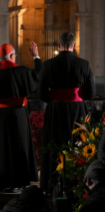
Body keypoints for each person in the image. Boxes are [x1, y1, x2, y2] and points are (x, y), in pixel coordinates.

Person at [0, 42, 42, 191]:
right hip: (17, 113)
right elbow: (39, 74)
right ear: (12, 56)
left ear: (0, 57)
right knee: (18, 147)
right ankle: (17, 183)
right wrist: (36, 56)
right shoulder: (22, 71)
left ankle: (0, 182)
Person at [39, 32, 96, 190]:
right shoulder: (84, 64)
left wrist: (56, 96)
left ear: (58, 45)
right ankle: (76, 184)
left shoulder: (48, 64)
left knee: (54, 144)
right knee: (78, 144)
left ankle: (52, 185)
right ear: (74, 46)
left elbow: (41, 93)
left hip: (56, 111)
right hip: (77, 111)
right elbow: (90, 93)